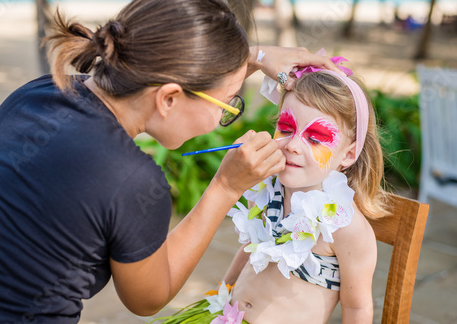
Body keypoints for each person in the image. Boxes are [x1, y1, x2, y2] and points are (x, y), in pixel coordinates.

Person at [0, 0, 345, 323]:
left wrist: (256, 56)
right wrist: (225, 186)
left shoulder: (42, 92)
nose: (223, 118)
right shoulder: (131, 180)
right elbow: (147, 298)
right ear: (169, 98)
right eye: (227, 105)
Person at [153, 54, 390, 324]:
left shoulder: (346, 227)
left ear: (347, 155)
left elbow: (357, 309)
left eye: (315, 138)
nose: (292, 145)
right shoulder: (270, 193)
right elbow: (249, 250)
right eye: (286, 128)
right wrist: (220, 297)